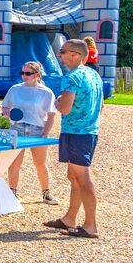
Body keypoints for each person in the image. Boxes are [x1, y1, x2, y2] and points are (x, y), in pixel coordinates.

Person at [44, 37, 104, 238]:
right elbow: (102, 106)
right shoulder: (94, 75)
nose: (59, 55)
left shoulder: (72, 77)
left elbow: (65, 109)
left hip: (75, 133)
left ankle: (90, 226)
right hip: (89, 132)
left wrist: (58, 101)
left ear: (75, 55)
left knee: (83, 178)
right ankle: (70, 218)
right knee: (74, 177)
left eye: (62, 51)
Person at [2, 60, 59, 204]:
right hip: (16, 128)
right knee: (14, 164)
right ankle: (12, 193)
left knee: (40, 164)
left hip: (37, 130)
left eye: (28, 73)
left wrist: (45, 133)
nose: (24, 76)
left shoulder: (46, 92)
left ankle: (46, 193)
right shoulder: (15, 89)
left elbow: (51, 115)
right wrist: (7, 112)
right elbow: (5, 107)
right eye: (22, 72)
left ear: (37, 75)